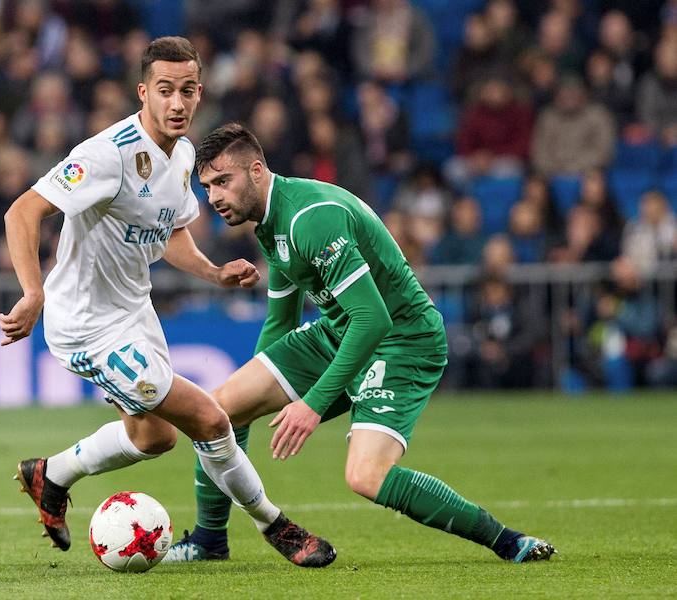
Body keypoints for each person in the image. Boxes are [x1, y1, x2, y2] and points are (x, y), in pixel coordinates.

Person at [0, 37, 335, 568]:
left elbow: (171, 232)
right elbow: (21, 213)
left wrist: (214, 272)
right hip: (86, 326)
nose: (176, 103)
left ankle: (50, 474)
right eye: (164, 91)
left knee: (153, 438)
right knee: (209, 418)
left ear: (199, 93)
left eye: (187, 91)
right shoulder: (106, 155)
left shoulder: (181, 158)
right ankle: (277, 526)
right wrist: (33, 292)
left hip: (133, 313)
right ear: (143, 92)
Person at [164, 123, 555, 564]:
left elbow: (373, 319)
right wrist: (259, 397)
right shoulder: (268, 222)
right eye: (207, 187)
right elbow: (281, 324)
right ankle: (208, 541)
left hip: (401, 339)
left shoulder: (310, 218)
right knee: (216, 411)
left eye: (222, 182)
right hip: (339, 329)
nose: (213, 197)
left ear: (256, 170)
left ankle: (506, 540)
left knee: (366, 476)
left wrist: (310, 405)